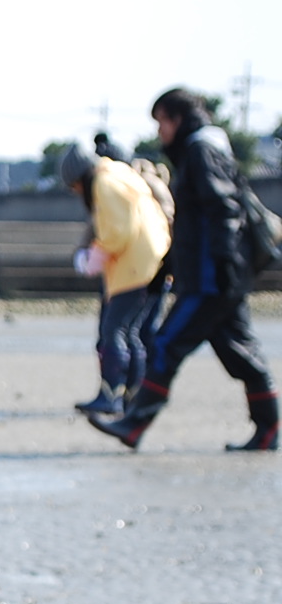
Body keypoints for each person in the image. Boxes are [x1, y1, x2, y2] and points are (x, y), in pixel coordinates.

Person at [90, 88, 278, 451]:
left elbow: (222, 209)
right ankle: (268, 431)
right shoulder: (210, 148)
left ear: (176, 119)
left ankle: (134, 424)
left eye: (160, 121)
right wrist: (169, 269)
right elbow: (196, 222)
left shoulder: (200, 150)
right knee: (243, 353)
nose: (159, 131)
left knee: (165, 344)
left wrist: (221, 264)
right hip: (223, 276)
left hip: (211, 279)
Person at [56, 143, 171, 415]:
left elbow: (117, 232)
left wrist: (92, 258)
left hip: (133, 264)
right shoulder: (120, 172)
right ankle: (133, 396)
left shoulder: (103, 182)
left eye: (74, 186)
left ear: (79, 178)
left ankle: (111, 395)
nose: (76, 192)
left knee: (113, 330)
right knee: (131, 332)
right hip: (153, 259)